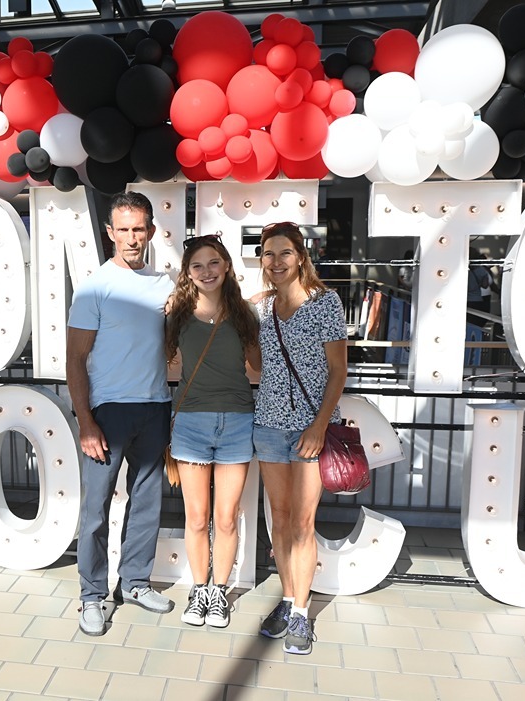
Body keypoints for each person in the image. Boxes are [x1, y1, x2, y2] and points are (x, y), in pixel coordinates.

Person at [66, 191, 176, 637]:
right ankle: (92, 596)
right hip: (108, 412)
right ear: (110, 233)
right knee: (95, 510)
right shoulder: (95, 285)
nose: (132, 238)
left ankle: (134, 582)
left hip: (155, 407)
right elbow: (75, 359)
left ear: (150, 231)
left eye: (139, 229)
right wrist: (86, 422)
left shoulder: (166, 284)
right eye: (123, 229)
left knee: (147, 504)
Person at [252, 221, 348, 656]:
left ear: (301, 256)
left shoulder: (326, 303)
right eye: (268, 254)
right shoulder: (262, 309)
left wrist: (319, 425)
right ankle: (288, 599)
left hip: (311, 428)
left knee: (304, 523)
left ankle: (301, 614)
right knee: (280, 517)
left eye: (284, 253)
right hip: (269, 423)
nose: (276, 262)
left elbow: (338, 371)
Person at [165, 235, 260, 629]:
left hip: (237, 420)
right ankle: (199, 588)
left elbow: (256, 364)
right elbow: (162, 358)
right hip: (190, 421)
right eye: (198, 265)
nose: (207, 271)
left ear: (226, 267)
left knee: (226, 518)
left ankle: (219, 593)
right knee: (197, 517)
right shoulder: (178, 313)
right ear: (188, 272)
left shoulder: (243, 313)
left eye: (213, 263)